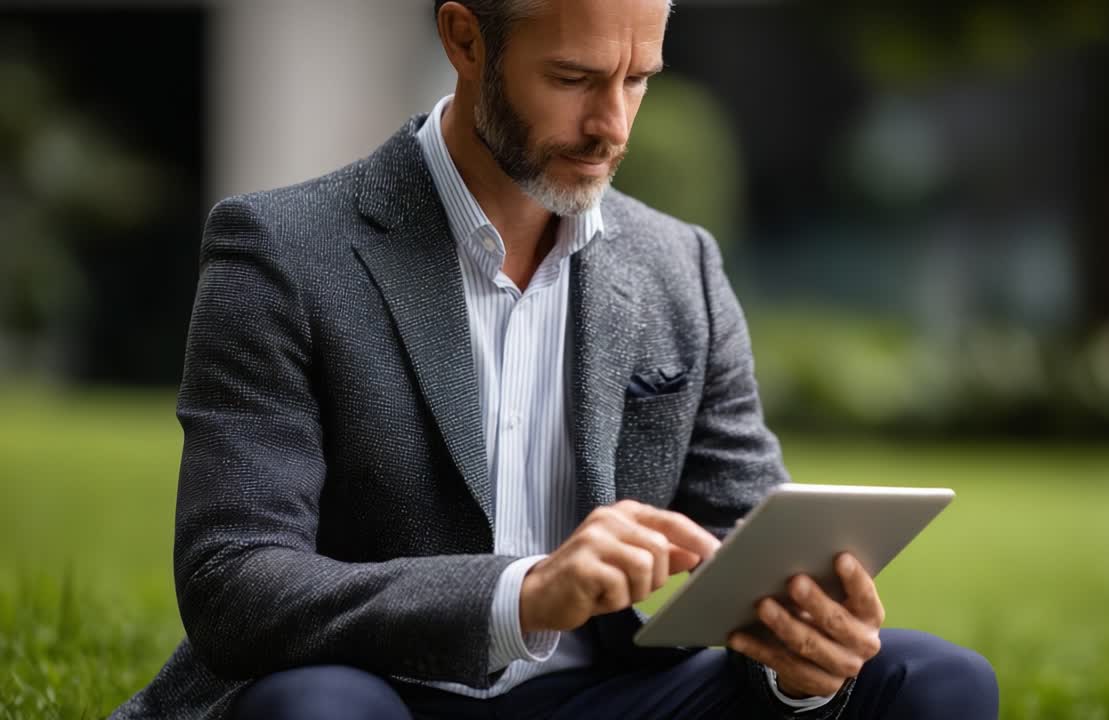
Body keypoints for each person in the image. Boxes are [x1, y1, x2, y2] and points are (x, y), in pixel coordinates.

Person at [111, 1, 997, 718]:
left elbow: (747, 542)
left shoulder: (678, 265)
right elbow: (236, 582)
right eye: (573, 79)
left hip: (615, 692)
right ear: (465, 38)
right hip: (385, 689)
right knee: (317, 711)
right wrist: (521, 593)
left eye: (638, 79)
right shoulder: (282, 250)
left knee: (937, 682)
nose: (611, 124)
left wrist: (799, 660)